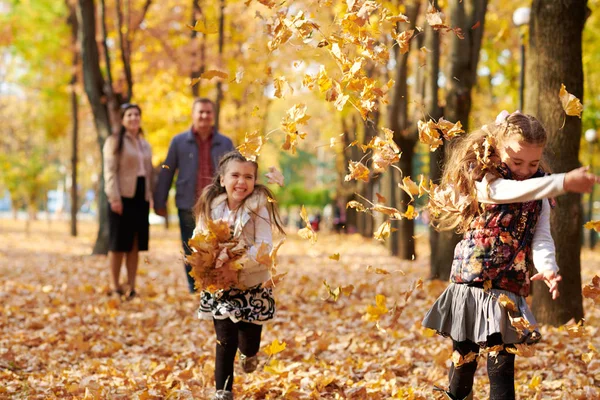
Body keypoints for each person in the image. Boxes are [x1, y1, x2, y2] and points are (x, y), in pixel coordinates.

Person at [422, 111, 600, 400]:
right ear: (496, 146)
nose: (525, 170)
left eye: (532, 163)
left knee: (502, 370)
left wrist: (548, 266)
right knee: (463, 366)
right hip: (471, 285)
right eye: (516, 161)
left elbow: (541, 236)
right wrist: (563, 181)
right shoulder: (484, 177)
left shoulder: (539, 186)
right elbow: (509, 191)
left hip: (508, 290)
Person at [193, 151, 285, 400]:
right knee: (225, 337)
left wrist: (235, 262)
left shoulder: (259, 208)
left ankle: (249, 353)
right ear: (222, 179)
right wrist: (208, 255)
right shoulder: (212, 206)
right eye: (235, 175)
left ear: (255, 181)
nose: (241, 182)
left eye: (248, 176)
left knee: (249, 337)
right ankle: (223, 391)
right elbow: (199, 236)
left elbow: (264, 247)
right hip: (221, 285)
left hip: (251, 283)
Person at [154, 98, 234, 293]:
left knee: (217, 246)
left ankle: (213, 285)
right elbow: (167, 170)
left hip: (218, 204)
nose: (204, 116)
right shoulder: (179, 141)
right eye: (201, 112)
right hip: (187, 202)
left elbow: (234, 171)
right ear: (193, 114)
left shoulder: (225, 142)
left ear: (213, 116)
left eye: (208, 112)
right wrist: (159, 200)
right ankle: (195, 287)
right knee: (191, 246)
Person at [103, 103, 154, 299]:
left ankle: (131, 286)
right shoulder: (115, 141)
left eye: (137, 115)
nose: (134, 118)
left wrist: (149, 196)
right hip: (122, 196)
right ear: (123, 119)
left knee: (135, 244)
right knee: (118, 244)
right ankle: (115, 286)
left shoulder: (144, 143)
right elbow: (109, 171)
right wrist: (114, 198)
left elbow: (149, 173)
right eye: (130, 115)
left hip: (140, 197)